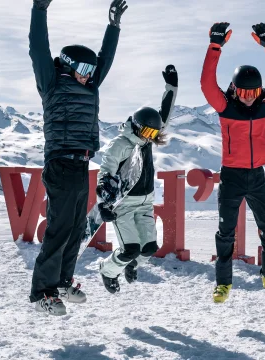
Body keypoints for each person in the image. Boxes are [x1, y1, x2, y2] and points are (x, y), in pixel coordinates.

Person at [28, 0, 127, 315]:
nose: (89, 75)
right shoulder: (52, 83)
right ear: (68, 66)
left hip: (81, 164)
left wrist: (113, 26)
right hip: (60, 163)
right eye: (84, 70)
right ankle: (42, 293)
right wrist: (39, 10)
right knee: (59, 228)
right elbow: (38, 49)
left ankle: (61, 283)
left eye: (91, 70)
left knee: (75, 228)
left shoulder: (91, 86)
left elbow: (105, 58)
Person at [200, 22, 265, 303]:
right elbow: (206, 83)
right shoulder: (224, 106)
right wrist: (215, 46)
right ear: (234, 89)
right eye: (244, 92)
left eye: (254, 92)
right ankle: (223, 284)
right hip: (231, 176)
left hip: (257, 175)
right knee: (226, 232)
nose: (249, 97)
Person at [96, 65, 178, 294]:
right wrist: (103, 203)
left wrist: (172, 87)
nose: (150, 138)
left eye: (153, 134)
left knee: (149, 247)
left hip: (145, 203)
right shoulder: (121, 145)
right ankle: (108, 270)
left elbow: (165, 114)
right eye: (147, 133)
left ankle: (132, 265)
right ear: (137, 126)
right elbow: (106, 173)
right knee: (130, 248)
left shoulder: (146, 139)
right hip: (124, 205)